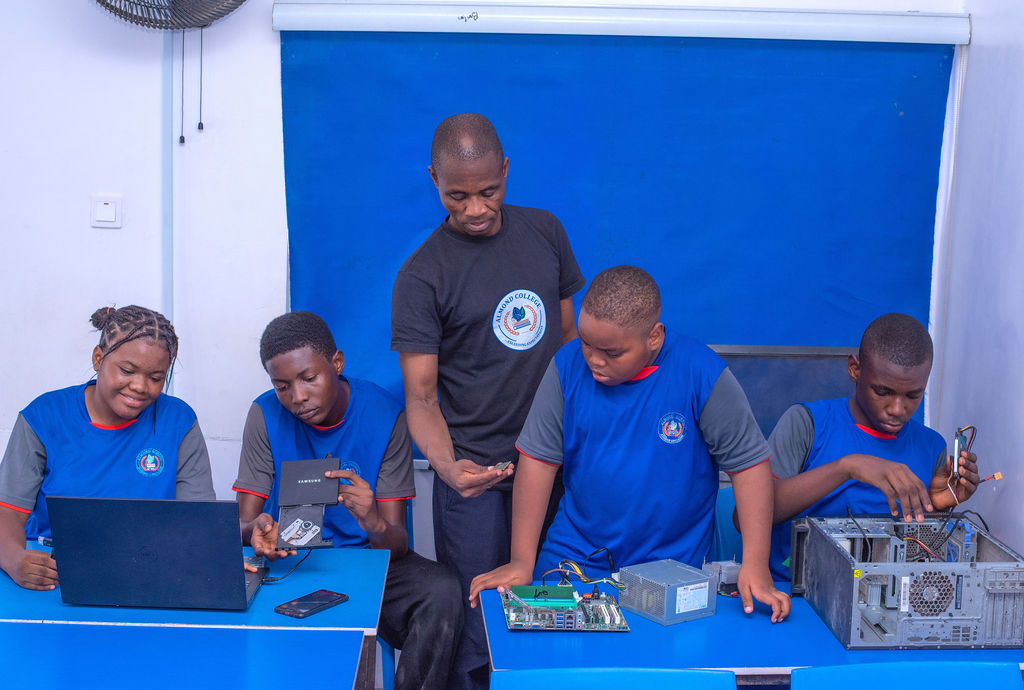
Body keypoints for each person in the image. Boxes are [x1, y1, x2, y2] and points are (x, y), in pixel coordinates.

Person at [469, 266, 791, 623]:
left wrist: (755, 564)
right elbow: (538, 462)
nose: (594, 359)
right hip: (573, 559)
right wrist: (521, 561)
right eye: (586, 343)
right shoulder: (565, 365)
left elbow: (749, 467)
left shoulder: (702, 374)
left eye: (612, 352)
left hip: (670, 573)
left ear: (654, 336)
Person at [391, 113, 585, 686]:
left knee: (557, 612)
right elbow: (420, 398)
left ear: (505, 170)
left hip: (553, 469)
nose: (476, 208)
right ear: (433, 179)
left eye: (489, 191)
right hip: (474, 479)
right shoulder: (422, 276)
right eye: (458, 195)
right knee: (480, 632)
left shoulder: (546, 232)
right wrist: (448, 467)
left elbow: (570, 346)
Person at [233, 311, 462, 690]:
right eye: (282, 386)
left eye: (309, 378)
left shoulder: (385, 415)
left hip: (365, 561)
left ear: (337, 363)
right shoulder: (264, 414)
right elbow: (243, 526)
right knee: (231, 591)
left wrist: (372, 519)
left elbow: (396, 544)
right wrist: (255, 530)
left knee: (441, 590)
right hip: (287, 562)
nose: (297, 397)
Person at [0, 305, 215, 590]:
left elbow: (197, 519)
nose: (140, 386)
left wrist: (216, 561)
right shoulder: (43, 417)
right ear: (98, 358)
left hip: (150, 570)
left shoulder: (179, 421)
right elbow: (8, 512)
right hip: (56, 575)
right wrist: (14, 559)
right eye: (127, 370)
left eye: (156, 378)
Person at [766, 312, 981, 580]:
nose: (897, 409)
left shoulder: (931, 446)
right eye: (882, 391)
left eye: (913, 395)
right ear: (855, 369)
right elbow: (749, 516)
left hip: (887, 598)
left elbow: (922, 554)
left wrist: (936, 507)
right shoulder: (807, 423)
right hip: (796, 592)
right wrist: (848, 467)